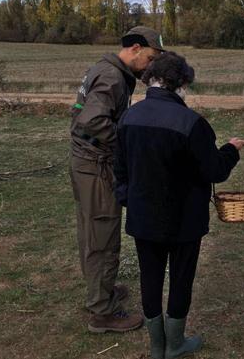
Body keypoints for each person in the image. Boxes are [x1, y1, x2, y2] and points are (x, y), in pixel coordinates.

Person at [114, 51, 244, 359]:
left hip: (143, 217)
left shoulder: (128, 117)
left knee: (150, 276)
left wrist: (128, 200)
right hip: (184, 221)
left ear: (152, 81)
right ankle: (174, 344)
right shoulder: (191, 123)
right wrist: (231, 149)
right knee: (181, 279)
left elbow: (119, 170)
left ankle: (156, 346)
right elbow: (215, 170)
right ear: (180, 83)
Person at [69, 26, 164, 333]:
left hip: (85, 162)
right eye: (150, 58)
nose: (150, 66)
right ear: (135, 49)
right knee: (103, 238)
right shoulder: (111, 77)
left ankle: (101, 292)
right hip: (96, 167)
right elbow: (91, 121)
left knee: (92, 231)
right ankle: (102, 312)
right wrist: (125, 141)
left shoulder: (104, 68)